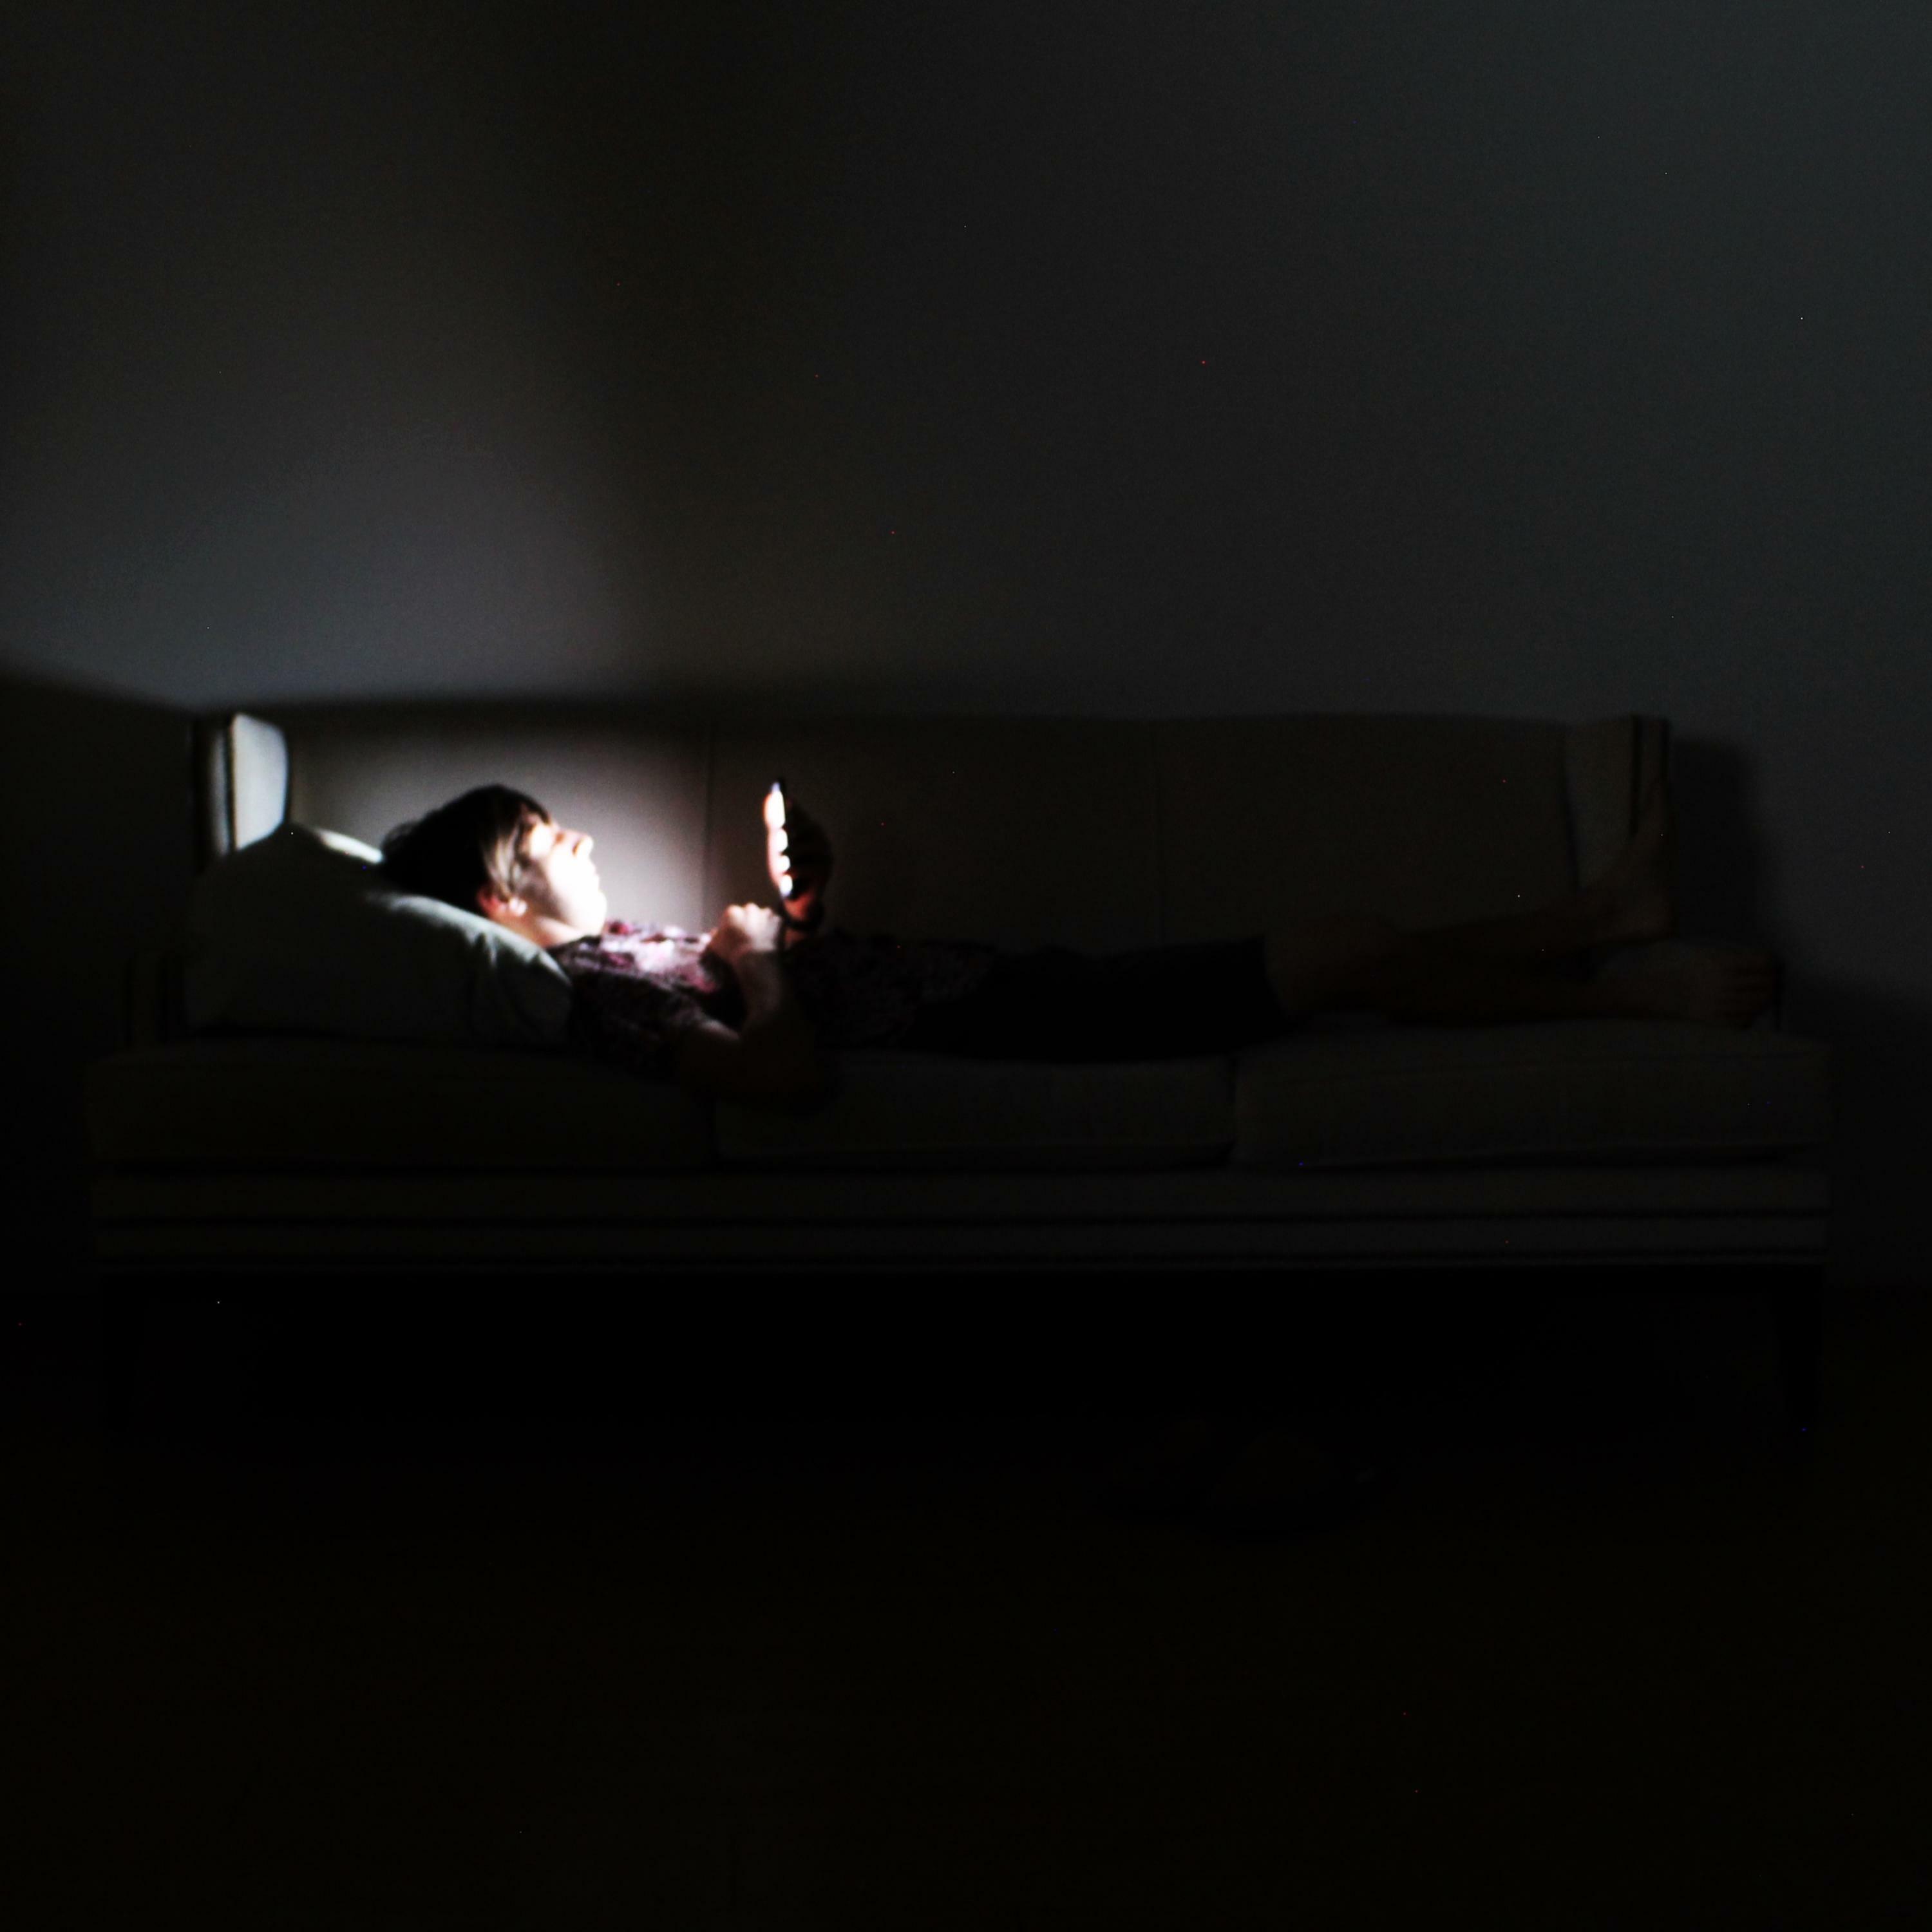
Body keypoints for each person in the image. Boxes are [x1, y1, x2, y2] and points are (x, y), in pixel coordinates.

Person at [377, 779, 1779, 1110]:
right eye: (540, 839)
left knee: (1349, 952)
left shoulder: (623, 944)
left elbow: (786, 985)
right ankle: (1645, 1002)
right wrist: (759, 960)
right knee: (1341, 954)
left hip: (1009, 986)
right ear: (500, 904)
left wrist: (793, 914)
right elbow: (779, 1076)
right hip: (1011, 1028)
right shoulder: (593, 995)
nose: (572, 836)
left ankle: (1595, 922)